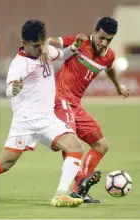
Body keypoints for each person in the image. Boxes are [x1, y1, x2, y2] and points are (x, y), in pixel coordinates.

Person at [0, 19, 90, 207]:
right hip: (25, 122)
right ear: (25, 43)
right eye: (36, 46)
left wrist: (75, 47)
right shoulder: (19, 64)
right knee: (5, 164)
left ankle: (61, 195)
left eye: (42, 44)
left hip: (47, 120)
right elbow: (8, 89)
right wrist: (14, 89)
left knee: (75, 147)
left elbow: (62, 54)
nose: (40, 49)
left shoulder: (45, 51)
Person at [48, 17, 130, 203]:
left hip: (76, 105)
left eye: (108, 40)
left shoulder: (109, 55)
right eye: (101, 37)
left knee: (101, 145)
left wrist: (118, 86)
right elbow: (52, 41)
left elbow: (109, 69)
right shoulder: (80, 42)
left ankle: (79, 190)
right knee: (72, 144)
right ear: (94, 31)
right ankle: (74, 185)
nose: (103, 42)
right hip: (60, 100)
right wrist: (41, 46)